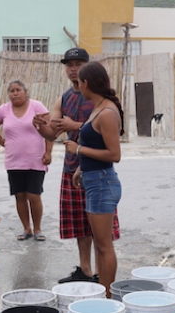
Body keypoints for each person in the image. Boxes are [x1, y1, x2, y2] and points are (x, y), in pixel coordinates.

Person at [32, 48, 120, 283]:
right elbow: (51, 133)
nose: (73, 68)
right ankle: (86, 270)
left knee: (102, 237)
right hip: (75, 168)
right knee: (81, 227)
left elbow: (107, 132)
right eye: (69, 64)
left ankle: (104, 285)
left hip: (97, 170)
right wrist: (39, 125)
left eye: (78, 64)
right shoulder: (64, 98)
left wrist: (74, 126)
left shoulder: (100, 101)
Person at [63, 61, 123, 297]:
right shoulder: (99, 107)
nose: (78, 86)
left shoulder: (107, 112)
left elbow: (114, 154)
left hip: (102, 183)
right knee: (100, 245)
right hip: (94, 180)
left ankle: (108, 296)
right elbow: (95, 144)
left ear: (86, 84)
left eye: (79, 83)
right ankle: (103, 291)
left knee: (104, 246)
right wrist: (81, 169)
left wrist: (78, 151)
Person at [0, 80, 51, 241]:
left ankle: (38, 229)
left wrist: (48, 152)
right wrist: (1, 141)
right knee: (20, 196)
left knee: (34, 195)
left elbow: (50, 130)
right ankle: (26, 229)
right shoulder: (4, 109)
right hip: (14, 161)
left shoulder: (37, 107)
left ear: (25, 92)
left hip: (36, 160)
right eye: (12, 90)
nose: (15, 93)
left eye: (18, 90)